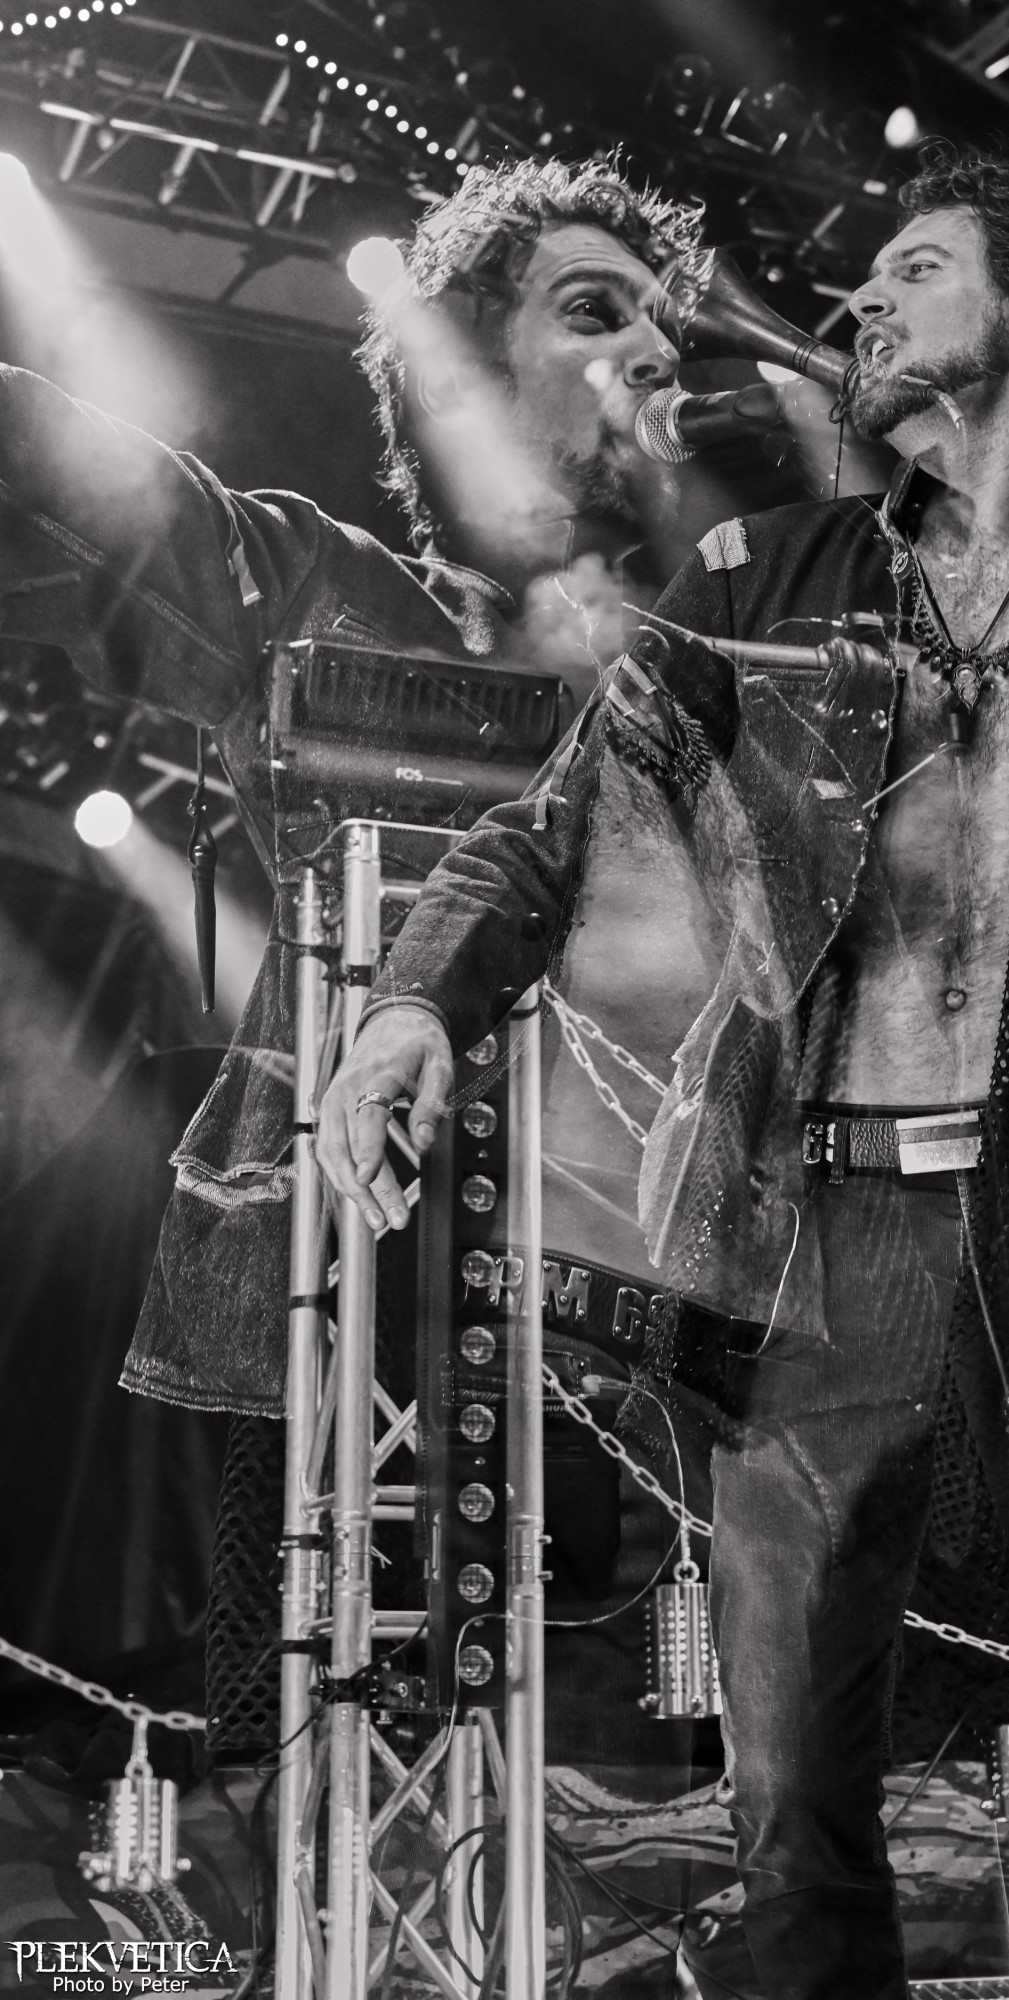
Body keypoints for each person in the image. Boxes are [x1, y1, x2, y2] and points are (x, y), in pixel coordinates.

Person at [318, 146, 1009, 1998]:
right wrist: (409, 1008)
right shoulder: (762, 577)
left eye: (914, 266)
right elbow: (550, 827)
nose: (860, 298)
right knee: (793, 1848)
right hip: (825, 1237)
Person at [0, 153, 699, 1416]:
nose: (654, 353)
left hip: (697, 1349)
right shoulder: (328, 592)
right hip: (385, 1345)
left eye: (664, 326)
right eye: (595, 313)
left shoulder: (742, 653)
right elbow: (84, 494)